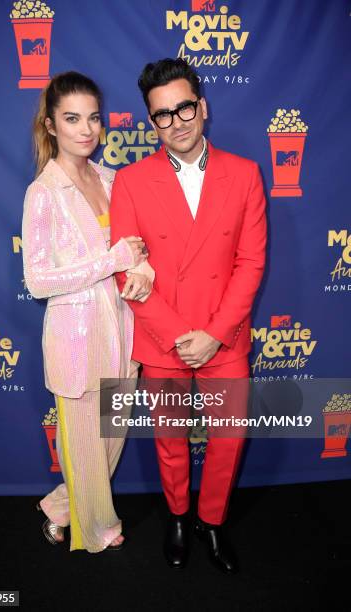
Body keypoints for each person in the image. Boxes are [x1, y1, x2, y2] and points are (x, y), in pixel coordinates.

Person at [110, 58, 267, 571]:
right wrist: (180, 336)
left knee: (226, 442)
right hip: (164, 338)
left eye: (183, 108)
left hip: (225, 337)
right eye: (162, 115)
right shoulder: (131, 182)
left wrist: (215, 335)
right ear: (151, 122)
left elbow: (250, 262)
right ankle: (178, 516)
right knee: (171, 440)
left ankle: (213, 522)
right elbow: (125, 272)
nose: (176, 122)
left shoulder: (245, 175)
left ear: (202, 106)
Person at [22, 71, 152, 553]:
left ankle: (58, 505)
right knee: (84, 447)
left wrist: (140, 268)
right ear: (51, 125)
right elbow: (37, 280)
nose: (85, 129)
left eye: (93, 118)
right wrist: (111, 261)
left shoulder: (113, 180)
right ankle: (96, 528)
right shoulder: (43, 193)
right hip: (77, 340)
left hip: (124, 331)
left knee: (109, 440)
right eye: (72, 118)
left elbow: (136, 250)